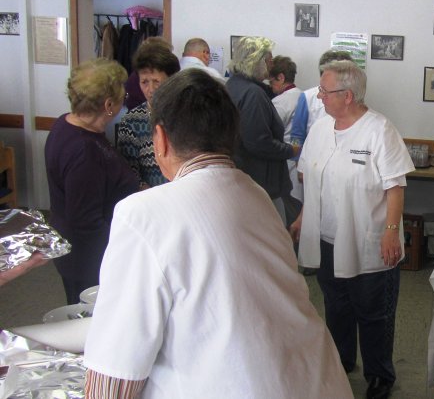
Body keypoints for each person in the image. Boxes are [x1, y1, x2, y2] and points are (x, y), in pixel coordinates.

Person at [83, 69, 352, 399]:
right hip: (312, 378)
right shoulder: (256, 195)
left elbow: (115, 372)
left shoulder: (141, 214)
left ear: (161, 139)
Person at [289, 61, 414, 399]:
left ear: (347, 95)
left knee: (373, 312)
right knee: (337, 306)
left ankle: (380, 376)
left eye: (325, 91)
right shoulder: (320, 128)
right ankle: (342, 362)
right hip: (328, 238)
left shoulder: (379, 130)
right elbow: (312, 179)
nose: (319, 96)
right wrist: (303, 216)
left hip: (368, 241)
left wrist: (391, 230)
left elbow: (395, 186)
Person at [44, 58, 140, 304]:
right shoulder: (83, 151)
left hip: (79, 252)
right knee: (92, 322)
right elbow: (85, 221)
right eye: (122, 96)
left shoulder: (68, 124)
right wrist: (124, 252)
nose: (124, 101)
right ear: (109, 105)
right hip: (89, 259)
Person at [226, 36, 297, 224]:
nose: (271, 64)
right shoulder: (252, 94)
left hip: (244, 178)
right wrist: (290, 150)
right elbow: (258, 142)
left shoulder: (233, 85)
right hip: (260, 182)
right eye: (269, 60)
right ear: (257, 61)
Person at [117, 42, 180, 189]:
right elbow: (130, 173)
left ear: (171, 80)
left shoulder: (186, 114)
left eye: (157, 81)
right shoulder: (131, 122)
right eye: (144, 82)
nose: (150, 89)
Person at [289, 50, 353, 147]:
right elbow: (297, 135)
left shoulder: (352, 95)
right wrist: (297, 158)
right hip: (313, 156)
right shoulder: (307, 97)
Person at [268, 55, 303, 223]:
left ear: (281, 78)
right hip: (301, 161)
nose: (271, 87)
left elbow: (269, 131)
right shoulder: (303, 96)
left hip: (287, 161)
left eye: (271, 82)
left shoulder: (280, 102)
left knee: (289, 212)